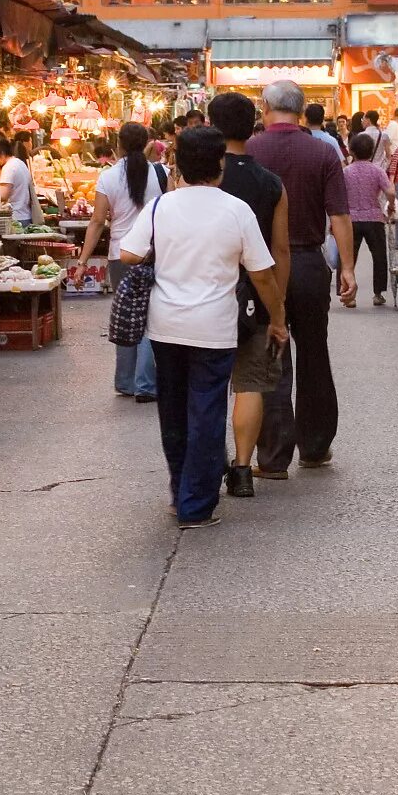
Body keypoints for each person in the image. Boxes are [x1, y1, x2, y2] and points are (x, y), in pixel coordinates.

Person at [120, 126, 287, 528]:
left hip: (165, 327)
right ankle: (197, 505)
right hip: (214, 329)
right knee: (206, 414)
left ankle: (181, 494)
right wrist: (278, 321)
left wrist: (165, 260)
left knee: (174, 414)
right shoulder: (235, 210)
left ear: (178, 164)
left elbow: (128, 253)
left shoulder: (161, 207)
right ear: (220, 164)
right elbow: (262, 275)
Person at [247, 79, 354, 477]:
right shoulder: (323, 151)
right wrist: (346, 266)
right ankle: (315, 447)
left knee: (271, 355)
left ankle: (274, 458)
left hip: (262, 269)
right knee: (314, 353)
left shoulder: (251, 151)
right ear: (302, 107)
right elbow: (339, 215)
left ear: (265, 107)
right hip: (309, 264)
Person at [209, 92, 288, 498]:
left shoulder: (198, 180)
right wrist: (279, 311)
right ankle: (242, 470)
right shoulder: (270, 183)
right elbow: (279, 252)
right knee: (251, 383)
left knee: (207, 387)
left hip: (207, 297)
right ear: (252, 126)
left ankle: (209, 464)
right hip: (255, 298)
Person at [76, 121, 168, 401]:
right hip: (154, 254)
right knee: (150, 318)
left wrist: (82, 261)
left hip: (120, 256)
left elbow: (97, 221)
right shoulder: (160, 173)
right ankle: (145, 382)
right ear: (147, 143)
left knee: (127, 316)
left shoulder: (108, 176)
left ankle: (127, 381)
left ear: (119, 145)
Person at [343, 131, 396, 307]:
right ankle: (378, 294)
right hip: (374, 218)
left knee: (348, 257)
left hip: (351, 220)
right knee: (379, 256)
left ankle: (348, 295)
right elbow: (390, 192)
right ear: (372, 151)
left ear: (352, 151)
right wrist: (391, 206)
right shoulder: (377, 171)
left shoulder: (346, 172)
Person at [0, 134, 38, 226]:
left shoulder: (8, 168)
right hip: (25, 215)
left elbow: (3, 195)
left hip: (15, 217)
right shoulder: (20, 163)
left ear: (1, 153)